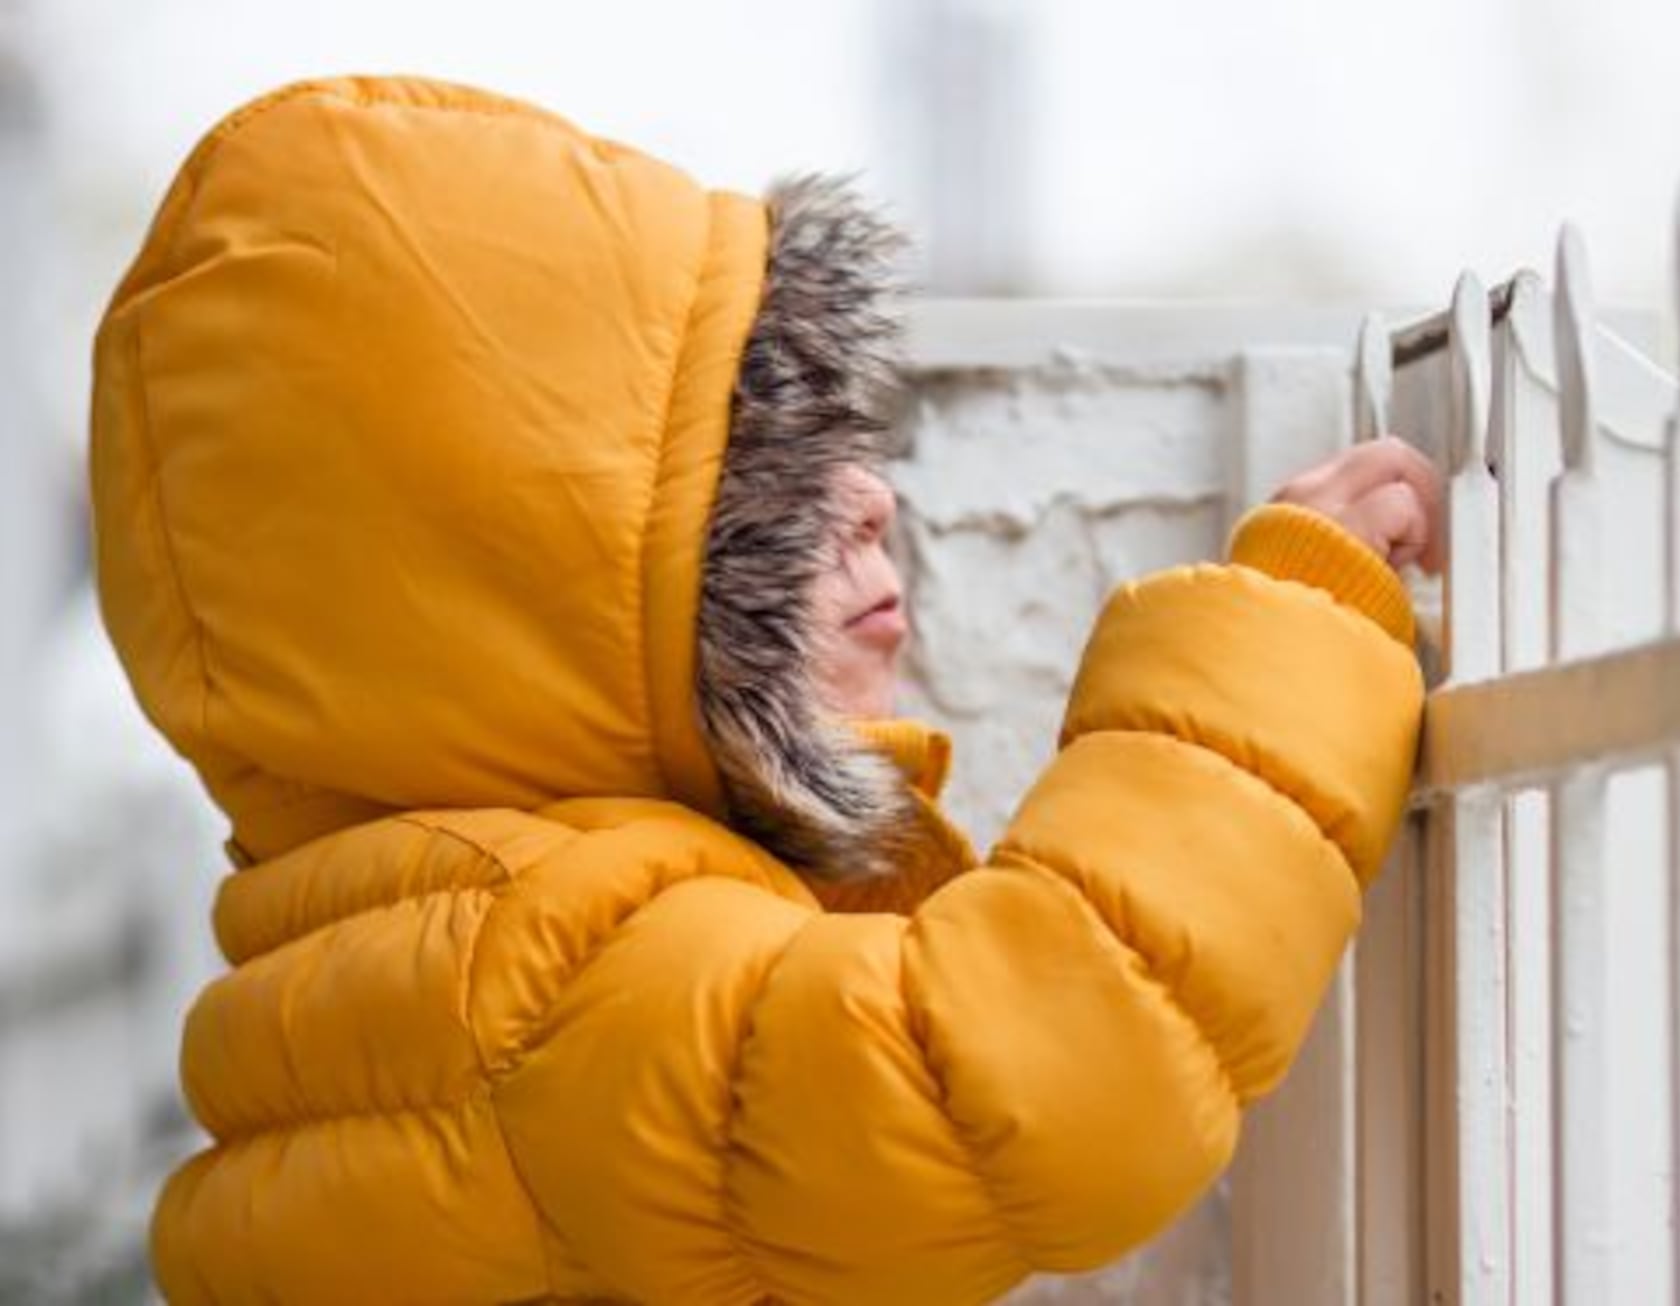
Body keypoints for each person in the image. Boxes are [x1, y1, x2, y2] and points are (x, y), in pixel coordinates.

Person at [90, 75, 1438, 1305]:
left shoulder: (425, 945)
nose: (868, 498)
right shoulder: (547, 983)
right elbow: (1031, 1080)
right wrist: (1290, 637)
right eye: (756, 483)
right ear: (504, 604)